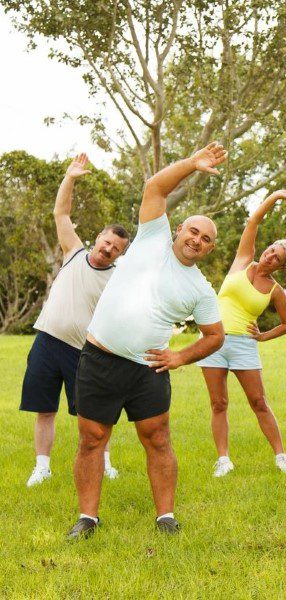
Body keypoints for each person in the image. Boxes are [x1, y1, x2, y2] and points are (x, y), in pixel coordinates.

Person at [67, 143, 228, 540]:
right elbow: (155, 187)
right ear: (179, 229)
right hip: (100, 358)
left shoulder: (201, 289)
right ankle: (87, 518)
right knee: (92, 439)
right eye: (193, 230)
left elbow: (216, 336)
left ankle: (165, 517)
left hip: (148, 370)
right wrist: (192, 164)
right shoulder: (152, 235)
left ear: (210, 249)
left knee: (157, 438)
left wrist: (179, 357)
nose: (197, 239)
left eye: (206, 238)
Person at [20, 153, 130, 487]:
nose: (108, 249)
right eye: (107, 242)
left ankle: (105, 462)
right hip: (46, 342)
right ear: (98, 237)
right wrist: (70, 177)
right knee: (44, 408)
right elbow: (61, 213)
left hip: (83, 353)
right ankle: (42, 466)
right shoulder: (73, 253)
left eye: (115, 248)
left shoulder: (117, 279)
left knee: (92, 414)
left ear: (120, 254)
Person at [198, 189, 286, 477]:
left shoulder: (275, 290)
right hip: (212, 342)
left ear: (282, 266)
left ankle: (281, 456)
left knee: (259, 402)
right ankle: (223, 459)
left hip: (244, 345)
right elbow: (255, 219)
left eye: (276, 258)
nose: (269, 257)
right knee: (218, 403)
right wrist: (277, 196)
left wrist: (262, 336)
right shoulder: (244, 260)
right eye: (270, 250)